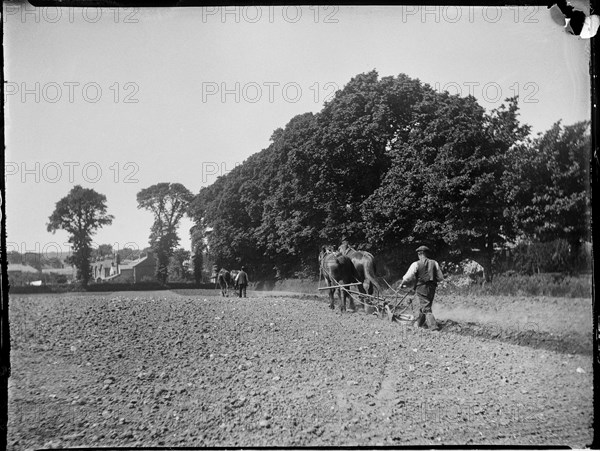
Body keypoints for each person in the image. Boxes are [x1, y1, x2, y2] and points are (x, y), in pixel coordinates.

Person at [400, 246, 444, 331]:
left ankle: (433, 327)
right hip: (432, 288)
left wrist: (402, 284)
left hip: (421, 288)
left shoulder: (416, 264)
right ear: (426, 253)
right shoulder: (434, 263)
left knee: (426, 307)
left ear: (419, 254)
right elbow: (440, 278)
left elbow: (407, 277)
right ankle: (419, 324)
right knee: (425, 305)